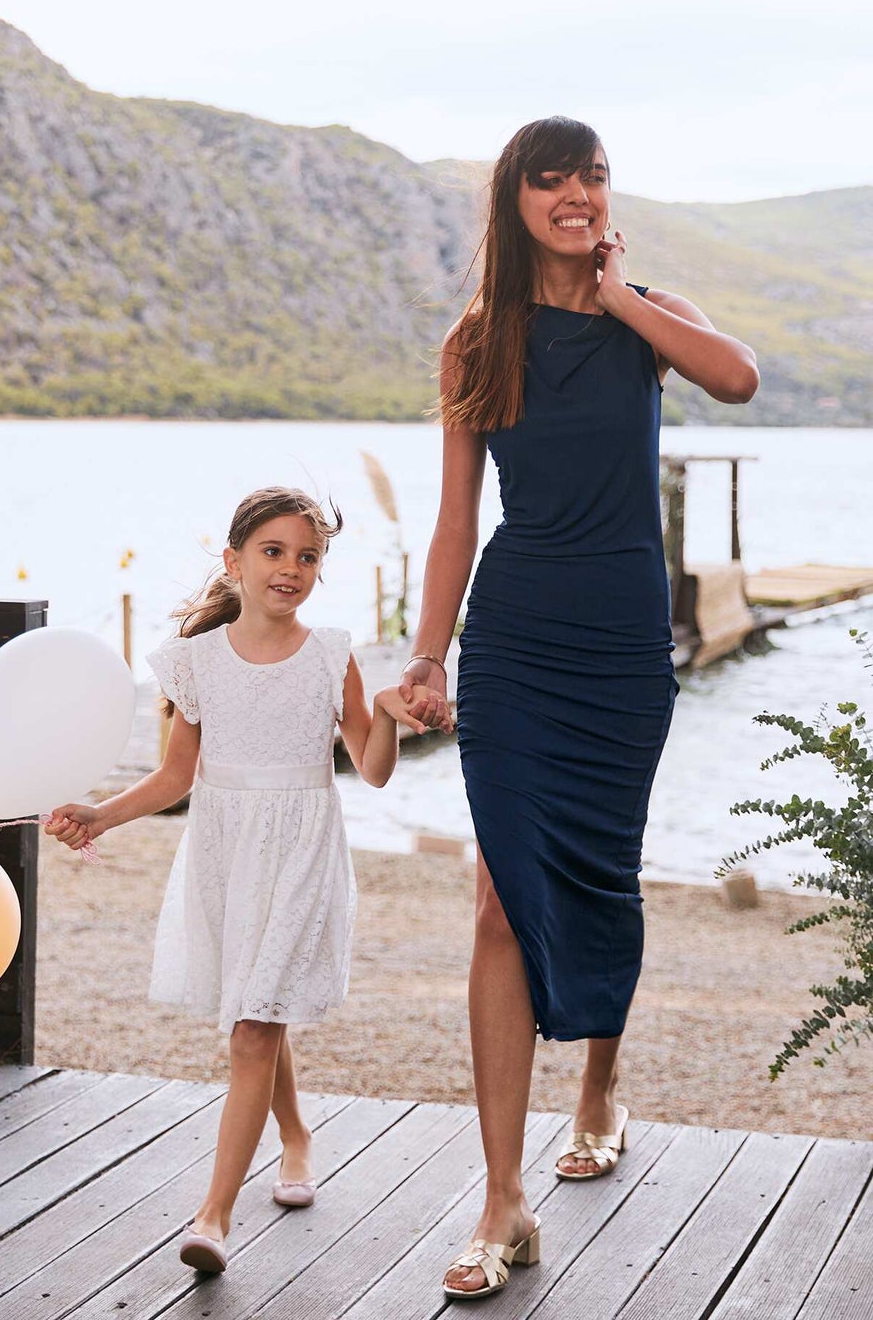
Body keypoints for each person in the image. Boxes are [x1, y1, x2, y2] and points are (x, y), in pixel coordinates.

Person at [399, 117, 758, 1301]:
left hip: (616, 640)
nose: (572, 193)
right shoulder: (474, 341)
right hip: (512, 637)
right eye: (549, 179)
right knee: (499, 891)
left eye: (589, 175)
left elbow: (737, 377)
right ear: (513, 201)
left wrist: (622, 299)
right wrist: (426, 655)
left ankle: (598, 1081)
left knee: (599, 871)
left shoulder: (646, 316)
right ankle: (502, 1199)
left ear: (607, 194)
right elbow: (454, 518)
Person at [46, 485, 445, 1275]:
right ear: (234, 561)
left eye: (307, 556)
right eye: (273, 552)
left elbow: (369, 771)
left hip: (302, 846)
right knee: (258, 1005)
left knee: (252, 1027)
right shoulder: (195, 662)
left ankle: (213, 1215)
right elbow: (173, 777)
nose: (290, 568)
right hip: (224, 849)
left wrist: (393, 718)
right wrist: (100, 814)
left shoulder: (332, 654)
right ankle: (295, 1136)